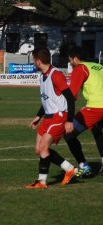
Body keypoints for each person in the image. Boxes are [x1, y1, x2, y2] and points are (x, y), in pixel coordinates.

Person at [26, 47, 77, 189]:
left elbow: (70, 99)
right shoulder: (42, 76)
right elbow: (47, 100)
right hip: (48, 117)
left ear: (38, 61)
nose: (34, 63)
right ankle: (69, 169)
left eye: (34, 61)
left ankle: (42, 181)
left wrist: (69, 120)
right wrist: (38, 116)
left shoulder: (56, 75)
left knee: (43, 147)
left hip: (59, 116)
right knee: (39, 149)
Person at [64, 46, 103, 177]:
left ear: (75, 58)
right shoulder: (98, 66)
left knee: (68, 133)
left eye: (70, 60)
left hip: (97, 108)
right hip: (97, 106)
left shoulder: (79, 68)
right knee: (97, 130)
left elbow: (72, 95)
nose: (70, 63)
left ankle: (83, 165)